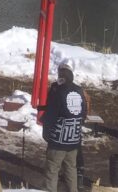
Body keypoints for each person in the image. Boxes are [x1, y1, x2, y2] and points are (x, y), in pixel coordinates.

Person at [42, 63, 87, 192]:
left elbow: (50, 114)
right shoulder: (79, 90)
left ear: (61, 76)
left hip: (58, 140)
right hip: (74, 139)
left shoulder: (58, 91)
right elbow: (83, 113)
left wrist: (46, 133)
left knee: (52, 170)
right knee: (71, 169)